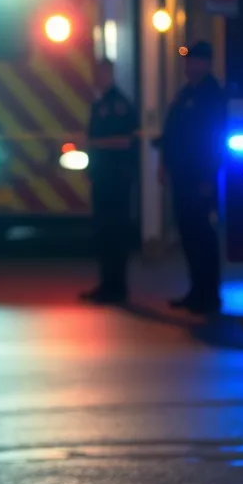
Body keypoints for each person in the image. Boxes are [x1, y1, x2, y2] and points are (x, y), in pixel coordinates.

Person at [158, 41, 227, 314]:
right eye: (186, 61)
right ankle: (196, 290)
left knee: (202, 236)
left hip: (200, 178)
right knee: (188, 233)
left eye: (193, 60)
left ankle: (209, 294)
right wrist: (164, 164)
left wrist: (208, 177)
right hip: (182, 175)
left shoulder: (212, 95)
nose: (188, 66)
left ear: (205, 63)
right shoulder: (186, 93)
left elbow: (214, 139)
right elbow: (172, 132)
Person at [81, 59, 139, 304]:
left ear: (110, 73)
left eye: (100, 72)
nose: (96, 76)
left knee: (115, 234)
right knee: (104, 234)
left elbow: (125, 140)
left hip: (116, 179)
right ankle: (107, 285)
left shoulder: (118, 104)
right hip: (103, 178)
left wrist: (93, 145)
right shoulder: (101, 103)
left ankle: (117, 287)